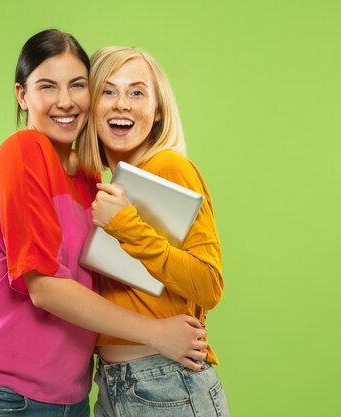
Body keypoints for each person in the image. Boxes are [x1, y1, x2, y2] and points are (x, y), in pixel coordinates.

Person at [0, 30, 208, 417]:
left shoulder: (90, 181)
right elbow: (45, 288)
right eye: (47, 86)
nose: (65, 102)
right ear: (22, 95)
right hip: (4, 394)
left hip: (70, 400)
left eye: (77, 85)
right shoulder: (22, 152)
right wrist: (156, 333)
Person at [77, 46, 230, 416]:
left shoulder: (169, 167)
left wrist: (126, 225)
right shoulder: (104, 185)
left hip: (166, 383)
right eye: (108, 92)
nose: (121, 105)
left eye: (136, 92)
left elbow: (209, 286)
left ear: (158, 110)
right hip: (116, 383)